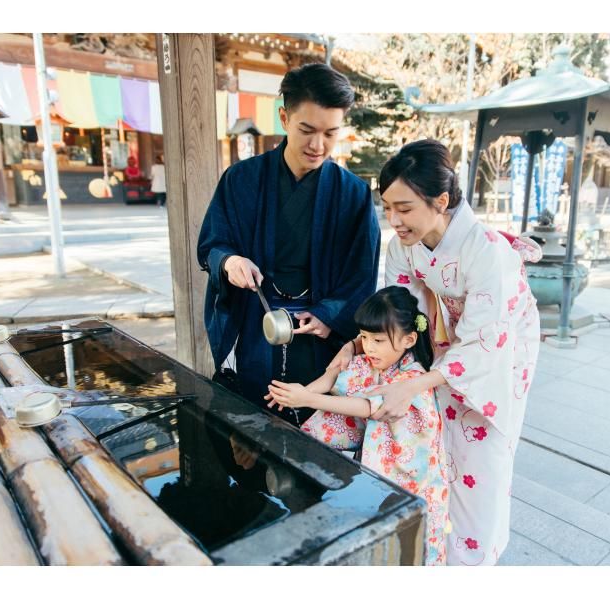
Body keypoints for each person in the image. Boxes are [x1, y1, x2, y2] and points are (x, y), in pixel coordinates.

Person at [331, 139, 543, 566]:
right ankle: (434, 555)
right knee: (434, 446)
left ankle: (473, 562)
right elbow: (398, 314)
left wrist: (413, 382)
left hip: (498, 354)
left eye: (404, 208)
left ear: (441, 200)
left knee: (481, 460)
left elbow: (486, 343)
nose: (393, 220)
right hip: (442, 342)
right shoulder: (402, 246)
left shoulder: (488, 252)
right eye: (387, 207)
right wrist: (354, 346)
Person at [197, 63, 380, 426]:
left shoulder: (354, 194)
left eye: (331, 133)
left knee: (313, 429)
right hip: (257, 322)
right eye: (307, 130)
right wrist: (230, 262)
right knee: (250, 420)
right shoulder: (241, 180)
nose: (318, 145)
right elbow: (213, 244)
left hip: (318, 331)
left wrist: (331, 316)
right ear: (284, 117)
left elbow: (363, 274)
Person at [265, 286, 449, 565]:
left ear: (409, 339)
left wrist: (307, 398)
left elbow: (369, 407)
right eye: (364, 337)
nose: (369, 347)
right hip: (379, 468)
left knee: (412, 546)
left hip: (412, 476)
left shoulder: (413, 376)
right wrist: (296, 396)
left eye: (378, 340)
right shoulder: (369, 360)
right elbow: (331, 380)